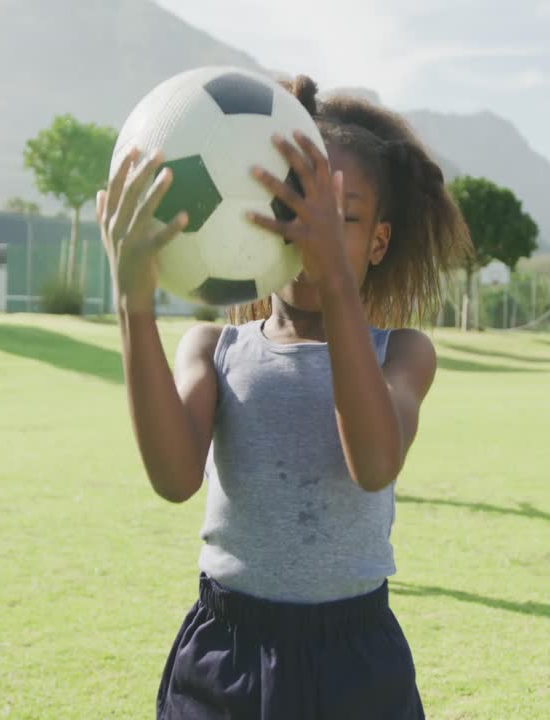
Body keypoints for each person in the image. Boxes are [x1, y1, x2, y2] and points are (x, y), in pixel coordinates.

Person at [97, 75, 472, 719]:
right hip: (226, 656)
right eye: (288, 206)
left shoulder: (403, 354)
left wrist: (337, 283)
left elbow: (373, 464)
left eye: (336, 218)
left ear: (378, 242)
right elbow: (173, 478)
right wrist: (133, 301)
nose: (306, 234)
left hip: (356, 663)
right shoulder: (212, 347)